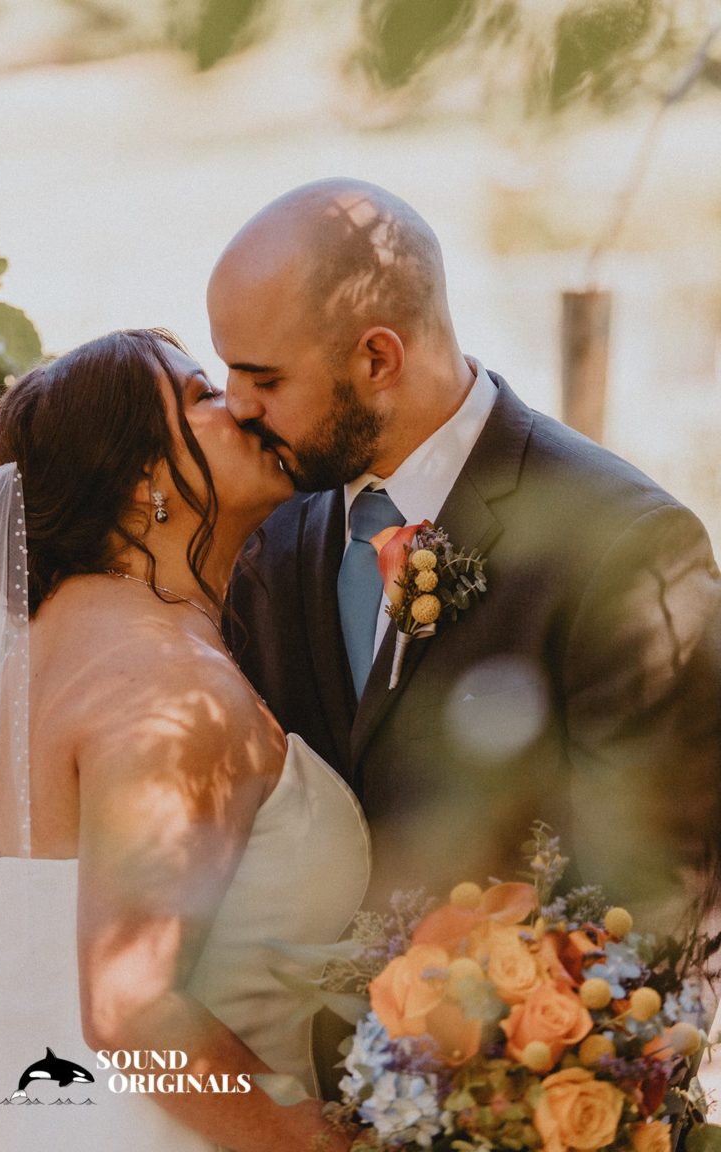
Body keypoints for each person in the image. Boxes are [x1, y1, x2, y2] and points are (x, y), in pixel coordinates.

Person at [215, 178, 721, 926]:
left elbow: (658, 899)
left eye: (265, 378)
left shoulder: (625, 548)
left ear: (379, 360)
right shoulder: (268, 531)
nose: (236, 405)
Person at [0, 329, 369, 1151]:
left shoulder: (42, 655)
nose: (244, 405)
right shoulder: (167, 685)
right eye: (202, 397)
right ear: (145, 478)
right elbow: (131, 1011)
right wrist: (326, 1146)